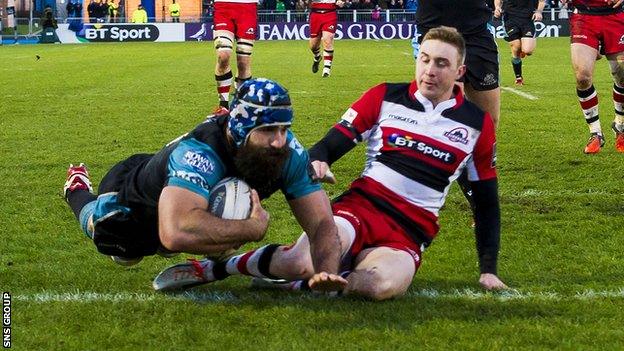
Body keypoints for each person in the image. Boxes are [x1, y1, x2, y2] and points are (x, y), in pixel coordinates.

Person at [153, 27, 507, 300]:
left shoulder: (476, 124)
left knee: (376, 287)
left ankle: (298, 286)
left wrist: (488, 269)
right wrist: (319, 161)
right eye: (424, 59)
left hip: (411, 230)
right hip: (361, 208)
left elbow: (486, 198)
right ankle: (219, 267)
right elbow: (333, 141)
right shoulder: (385, 96)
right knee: (301, 261)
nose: (429, 70)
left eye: (441, 63)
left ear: (460, 70)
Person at [63, 79, 344, 290]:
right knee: (119, 249)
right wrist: (250, 228)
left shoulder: (289, 152)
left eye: (284, 129)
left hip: (181, 191)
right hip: (129, 207)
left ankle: (214, 256)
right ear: (241, 131)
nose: (279, 141)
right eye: (268, 130)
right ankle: (76, 187)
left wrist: (327, 274)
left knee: (225, 217)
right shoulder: (199, 153)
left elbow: (321, 224)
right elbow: (174, 233)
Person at [562, 0, 624, 153]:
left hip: (614, 16)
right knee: (582, 77)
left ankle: (620, 125)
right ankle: (595, 133)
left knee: (622, 76)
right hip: (584, 17)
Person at [211, 0, 261, 114]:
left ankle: (240, 103)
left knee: (243, 62)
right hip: (223, 6)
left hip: (247, 7)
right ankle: (223, 105)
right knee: (223, 56)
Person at [494, 0, 545, 86]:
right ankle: (519, 77)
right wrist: (497, 7)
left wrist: (539, 12)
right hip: (509, 19)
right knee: (516, 46)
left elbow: (542, 1)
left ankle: (523, 48)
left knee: (528, 51)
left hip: (528, 19)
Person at [309, 0, 343, 77]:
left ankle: (326, 69)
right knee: (313, 46)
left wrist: (340, 1)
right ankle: (317, 57)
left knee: (328, 40)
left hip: (330, 13)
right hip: (315, 14)